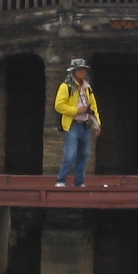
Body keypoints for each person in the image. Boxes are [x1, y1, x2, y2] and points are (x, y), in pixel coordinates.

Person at [53, 59, 101, 188]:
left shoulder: (87, 87)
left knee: (84, 154)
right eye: (79, 70)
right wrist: (76, 111)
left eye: (83, 70)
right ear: (73, 72)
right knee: (70, 154)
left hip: (85, 124)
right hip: (72, 124)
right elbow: (59, 106)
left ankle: (79, 182)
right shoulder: (66, 86)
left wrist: (97, 123)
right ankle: (61, 180)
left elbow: (93, 106)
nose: (81, 72)